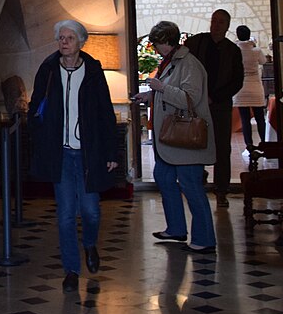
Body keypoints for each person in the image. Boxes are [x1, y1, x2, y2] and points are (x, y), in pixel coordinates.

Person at [28, 19, 119, 293]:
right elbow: (36, 107)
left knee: (91, 211)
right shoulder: (48, 70)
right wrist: (41, 135)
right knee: (66, 215)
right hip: (61, 154)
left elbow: (105, 112)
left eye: (69, 38)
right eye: (60, 38)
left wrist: (111, 151)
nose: (63, 42)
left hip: (88, 153)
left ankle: (89, 243)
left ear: (80, 42)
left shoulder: (92, 70)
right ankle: (71, 269)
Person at [141, 19, 217, 252]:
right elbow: (171, 92)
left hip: (186, 140)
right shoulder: (171, 62)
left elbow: (189, 99)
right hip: (169, 141)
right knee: (163, 178)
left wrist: (160, 88)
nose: (154, 48)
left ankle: (204, 240)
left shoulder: (189, 64)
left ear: (167, 41)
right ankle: (176, 229)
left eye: (156, 43)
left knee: (191, 186)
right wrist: (148, 97)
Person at [185, 9, 243, 208]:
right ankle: (197, 183)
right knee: (196, 144)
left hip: (220, 106)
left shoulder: (233, 51)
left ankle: (221, 190)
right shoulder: (196, 43)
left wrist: (215, 97)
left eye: (220, 22)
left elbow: (237, 81)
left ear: (227, 26)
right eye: (214, 21)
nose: (216, 25)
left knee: (221, 148)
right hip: (197, 105)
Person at [233, 25, 267, 147]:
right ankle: (263, 143)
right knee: (260, 118)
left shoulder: (235, 50)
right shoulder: (256, 51)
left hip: (241, 88)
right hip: (255, 88)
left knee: (245, 120)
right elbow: (263, 61)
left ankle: (249, 145)